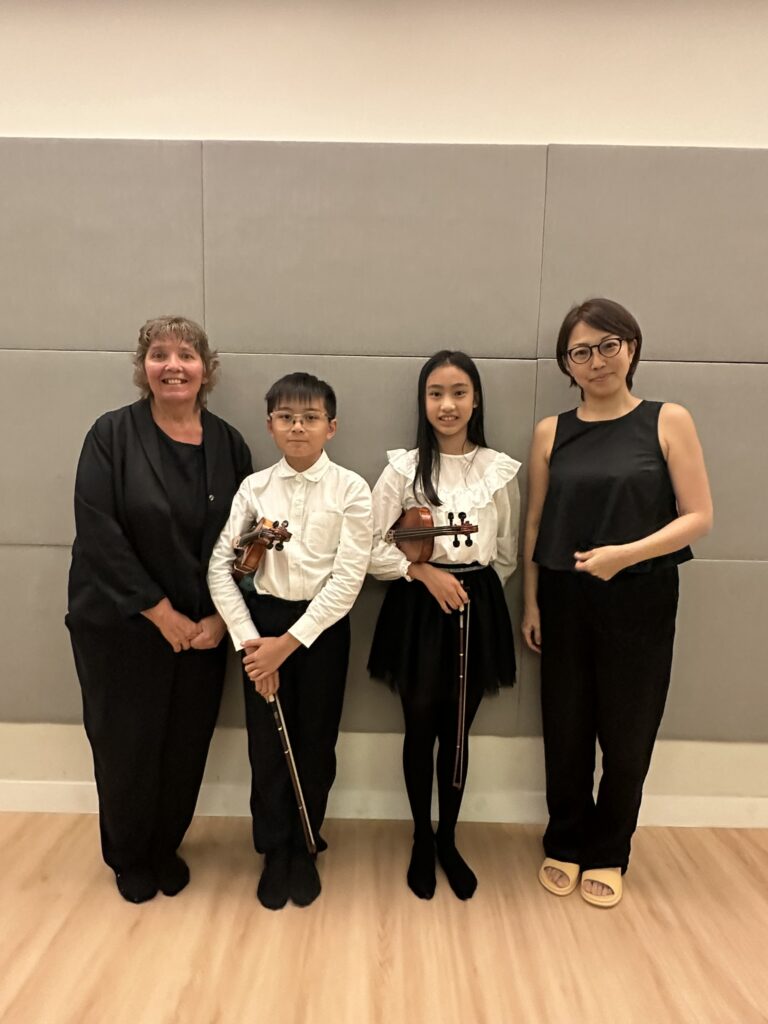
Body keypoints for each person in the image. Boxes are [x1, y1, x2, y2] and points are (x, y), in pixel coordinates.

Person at [523, 297, 713, 908]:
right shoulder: (551, 431)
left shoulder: (667, 420)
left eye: (609, 345)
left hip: (641, 597)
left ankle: (610, 850)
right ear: (566, 364)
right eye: (581, 351)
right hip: (564, 595)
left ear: (631, 347)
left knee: (629, 732)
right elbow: (535, 524)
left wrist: (623, 555)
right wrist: (531, 603)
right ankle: (565, 839)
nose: (597, 361)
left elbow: (698, 517)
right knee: (566, 727)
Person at [66, 316, 253, 903]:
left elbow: (248, 541)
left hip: (202, 631)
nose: (173, 365)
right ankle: (129, 855)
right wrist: (159, 611)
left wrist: (221, 619)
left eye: (186, 354)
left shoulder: (229, 444)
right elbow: (98, 533)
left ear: (206, 369)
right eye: (160, 354)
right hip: (123, 626)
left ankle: (165, 844)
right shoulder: (110, 435)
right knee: (127, 745)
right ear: (143, 367)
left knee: (184, 744)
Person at [207, 372, 372, 911]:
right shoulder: (254, 489)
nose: (298, 427)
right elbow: (219, 570)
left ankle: (306, 844)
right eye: (286, 418)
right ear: (270, 425)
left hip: (322, 629)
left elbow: (348, 580)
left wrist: (287, 645)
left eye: (310, 418)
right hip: (261, 626)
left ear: (331, 427)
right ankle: (273, 849)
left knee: (316, 741)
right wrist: (254, 645)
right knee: (266, 744)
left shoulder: (351, 489)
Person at [368, 351, 520, 900]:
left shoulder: (499, 469)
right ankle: (420, 838)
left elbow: (505, 553)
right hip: (417, 606)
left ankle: (449, 839)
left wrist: (471, 588)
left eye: (459, 392)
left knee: (458, 730)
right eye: (436, 393)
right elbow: (370, 546)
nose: (447, 404)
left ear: (475, 400)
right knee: (419, 728)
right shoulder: (403, 469)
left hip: (476, 608)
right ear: (423, 401)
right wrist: (424, 572)